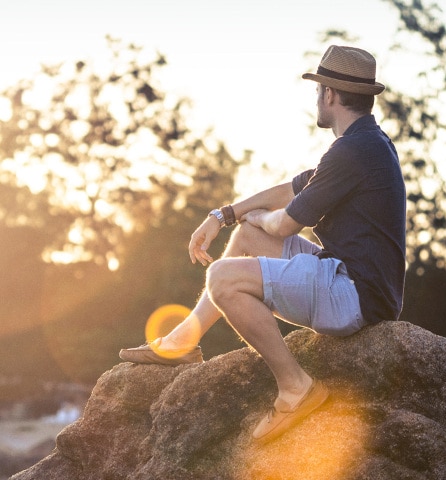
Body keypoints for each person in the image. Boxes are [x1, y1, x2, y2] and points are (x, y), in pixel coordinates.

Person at [120, 45, 406, 444]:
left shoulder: (354, 151)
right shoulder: (366, 143)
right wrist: (225, 216)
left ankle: (295, 388)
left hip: (355, 295)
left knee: (223, 278)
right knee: (248, 236)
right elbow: (292, 187)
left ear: (329, 94)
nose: (317, 99)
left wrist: (259, 218)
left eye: (318, 90)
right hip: (352, 278)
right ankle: (183, 340)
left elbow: (286, 222)